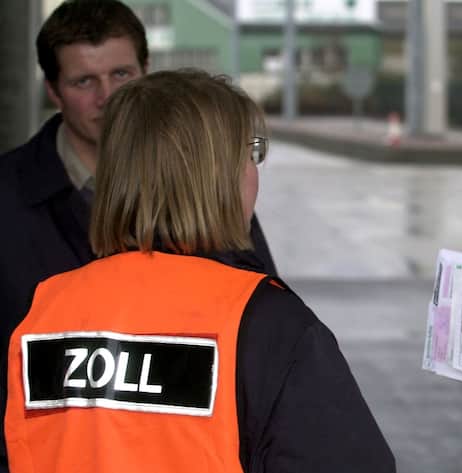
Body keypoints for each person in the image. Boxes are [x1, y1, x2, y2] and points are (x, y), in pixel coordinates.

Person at [3, 69, 396, 472]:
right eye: (249, 153)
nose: (254, 172)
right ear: (216, 177)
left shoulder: (44, 311)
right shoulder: (268, 325)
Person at [0, 0, 277, 362]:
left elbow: (258, 311)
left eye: (121, 75)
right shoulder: (6, 195)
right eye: (84, 81)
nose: (108, 97)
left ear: (146, 71)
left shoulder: (203, 180)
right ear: (53, 91)